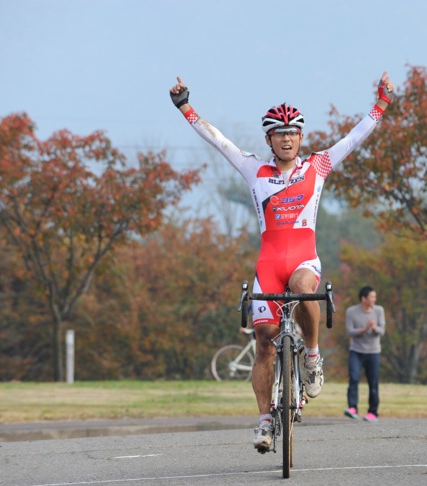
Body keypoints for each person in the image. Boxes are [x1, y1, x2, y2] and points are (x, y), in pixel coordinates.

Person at [169, 72, 394, 452]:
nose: (286, 138)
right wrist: (185, 106)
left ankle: (312, 357)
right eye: (279, 132)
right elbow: (218, 140)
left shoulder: (318, 166)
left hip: (304, 258)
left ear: (301, 137)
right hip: (268, 263)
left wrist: (382, 103)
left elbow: (355, 137)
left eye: (292, 132)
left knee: (304, 289)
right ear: (269, 139)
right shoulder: (253, 168)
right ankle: (263, 421)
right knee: (263, 343)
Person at [344, 286, 385, 422]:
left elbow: (382, 331)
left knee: (373, 383)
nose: (374, 299)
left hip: (373, 352)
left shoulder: (379, 310)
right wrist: (364, 329)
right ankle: (352, 408)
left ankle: (372, 412)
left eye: (374, 297)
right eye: (372, 297)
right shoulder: (351, 311)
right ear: (364, 298)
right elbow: (350, 331)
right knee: (354, 379)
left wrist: (373, 328)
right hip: (356, 351)